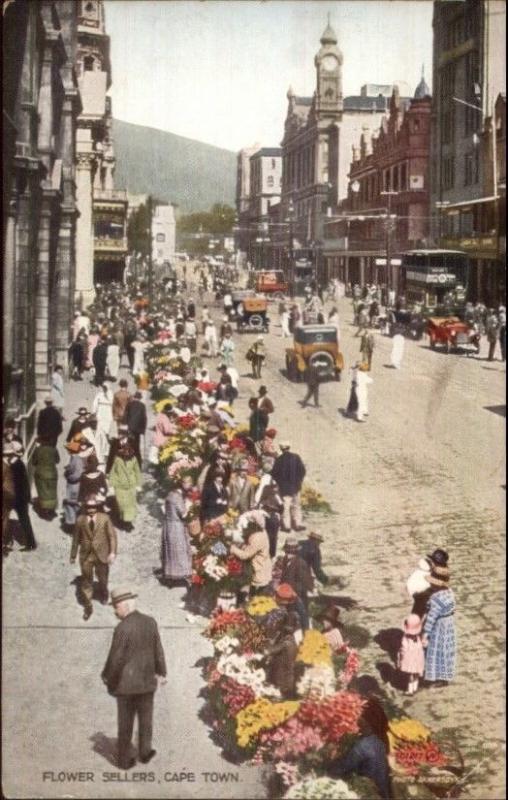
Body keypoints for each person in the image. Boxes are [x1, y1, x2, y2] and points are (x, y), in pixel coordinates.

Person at [101, 587, 167, 769]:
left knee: (125, 725)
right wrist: (162, 672)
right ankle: (145, 753)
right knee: (146, 720)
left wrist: (107, 677)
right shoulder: (150, 622)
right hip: (147, 683)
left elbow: (115, 658)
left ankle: (124, 761)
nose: (115, 611)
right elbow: (158, 650)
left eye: (116, 607)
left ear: (125, 605)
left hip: (126, 687)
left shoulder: (122, 628)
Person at [329, 698, 392, 800]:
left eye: (358, 714)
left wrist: (327, 763)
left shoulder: (364, 746)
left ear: (366, 720)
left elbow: (341, 768)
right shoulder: (379, 739)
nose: (355, 718)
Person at [70, 498, 117, 619]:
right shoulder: (80, 520)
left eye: (94, 507)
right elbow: (75, 539)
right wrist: (73, 555)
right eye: (88, 507)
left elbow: (112, 537)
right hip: (86, 556)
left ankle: (104, 593)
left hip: (102, 554)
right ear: (85, 507)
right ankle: (88, 606)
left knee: (103, 578)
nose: (91, 510)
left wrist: (112, 552)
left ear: (97, 507)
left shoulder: (105, 518)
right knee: (86, 581)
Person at [422, 552, 456, 686]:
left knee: (435, 650)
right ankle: (445, 676)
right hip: (449, 624)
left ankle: (436, 677)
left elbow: (431, 619)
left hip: (439, 626)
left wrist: (425, 635)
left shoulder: (435, 598)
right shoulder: (449, 592)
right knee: (446, 651)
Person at [161, 476, 193, 585]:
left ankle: (170, 575)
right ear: (182, 484)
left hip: (168, 525)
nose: (190, 485)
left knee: (171, 550)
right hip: (176, 526)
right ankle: (183, 575)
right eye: (188, 483)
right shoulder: (177, 497)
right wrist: (189, 505)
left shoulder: (170, 495)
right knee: (180, 549)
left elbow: (164, 510)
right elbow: (184, 514)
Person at [277, 536, 313, 629]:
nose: (288, 554)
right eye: (287, 551)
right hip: (286, 594)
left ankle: (306, 634)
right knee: (289, 614)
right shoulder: (285, 560)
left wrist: (294, 593)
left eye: (291, 552)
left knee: (303, 614)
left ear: (295, 552)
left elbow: (305, 582)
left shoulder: (300, 563)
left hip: (297, 594)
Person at [230, 519, 272, 596]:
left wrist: (232, 548)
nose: (243, 531)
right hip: (261, 565)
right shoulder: (259, 532)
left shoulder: (257, 538)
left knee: (258, 594)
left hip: (259, 568)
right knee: (254, 591)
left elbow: (245, 555)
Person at [8, 442, 37, 551]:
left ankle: (31, 543)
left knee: (24, 520)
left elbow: (19, 484)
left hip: (19, 497)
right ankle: (31, 543)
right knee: (24, 519)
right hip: (20, 496)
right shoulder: (18, 463)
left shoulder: (16, 465)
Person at [271, 442, 306, 532]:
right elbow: (302, 470)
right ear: (289, 447)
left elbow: (274, 474)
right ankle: (297, 523)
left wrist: (280, 483)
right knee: (296, 505)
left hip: (285, 488)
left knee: (286, 507)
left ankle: (287, 525)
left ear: (281, 449)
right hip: (296, 486)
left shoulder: (279, 459)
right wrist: (299, 480)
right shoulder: (296, 457)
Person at [108, 441, 142, 531]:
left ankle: (128, 523)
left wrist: (139, 484)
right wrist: (111, 485)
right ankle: (123, 520)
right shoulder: (117, 460)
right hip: (120, 486)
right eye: (125, 452)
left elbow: (137, 471)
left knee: (130, 505)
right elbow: (113, 473)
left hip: (131, 485)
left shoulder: (134, 459)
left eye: (128, 452)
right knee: (122, 505)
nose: (126, 454)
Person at [63, 441, 91, 530]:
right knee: (73, 504)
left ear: (71, 451)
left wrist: (68, 476)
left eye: (68, 449)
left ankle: (73, 525)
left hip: (74, 486)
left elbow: (77, 474)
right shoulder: (76, 458)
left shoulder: (75, 459)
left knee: (72, 503)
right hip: (75, 485)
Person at [397, 613, 425, 696]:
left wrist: (400, 656)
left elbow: (404, 649)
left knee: (410, 676)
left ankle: (410, 690)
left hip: (410, 659)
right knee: (416, 674)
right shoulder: (419, 636)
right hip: (418, 658)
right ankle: (415, 688)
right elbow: (423, 644)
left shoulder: (405, 638)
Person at [32, 437, 60, 519]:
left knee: (42, 492)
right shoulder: (54, 449)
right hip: (52, 473)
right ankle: (51, 509)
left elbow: (34, 462)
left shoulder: (38, 450)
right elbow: (58, 460)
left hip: (41, 474)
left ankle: (44, 510)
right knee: (52, 491)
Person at [93, 383, 114, 466]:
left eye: (105, 387)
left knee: (106, 435)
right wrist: (94, 412)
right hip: (100, 416)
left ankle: (106, 453)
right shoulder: (99, 395)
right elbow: (94, 405)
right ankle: (98, 454)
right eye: (103, 387)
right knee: (99, 435)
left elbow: (113, 404)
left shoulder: (111, 394)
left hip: (108, 417)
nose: (104, 389)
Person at [124, 391, 147, 465]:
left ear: (134, 397)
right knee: (137, 446)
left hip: (130, 429)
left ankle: (128, 462)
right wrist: (143, 430)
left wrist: (126, 426)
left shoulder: (129, 404)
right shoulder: (142, 405)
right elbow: (144, 418)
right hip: (137, 430)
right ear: (140, 398)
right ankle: (138, 464)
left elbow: (125, 417)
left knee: (129, 445)